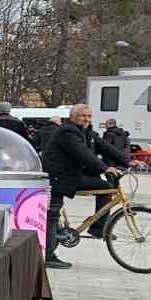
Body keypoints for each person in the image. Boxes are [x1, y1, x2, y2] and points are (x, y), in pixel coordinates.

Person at [43, 103, 129, 268]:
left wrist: (128, 161)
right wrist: (105, 168)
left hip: (71, 175)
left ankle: (98, 228)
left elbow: (107, 148)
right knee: (52, 214)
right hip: (59, 177)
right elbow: (83, 153)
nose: (87, 119)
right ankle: (48, 255)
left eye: (89, 116)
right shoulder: (67, 131)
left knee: (105, 188)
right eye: (83, 116)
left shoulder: (87, 131)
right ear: (72, 117)